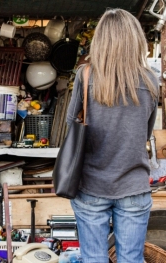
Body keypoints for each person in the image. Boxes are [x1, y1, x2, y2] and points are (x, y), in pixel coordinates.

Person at [66, 8, 159, 263]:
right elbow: (145, 132)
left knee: (94, 259)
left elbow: (71, 126)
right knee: (131, 259)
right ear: (135, 39)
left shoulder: (85, 76)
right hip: (133, 184)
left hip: (91, 184)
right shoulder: (151, 81)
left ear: (101, 39)